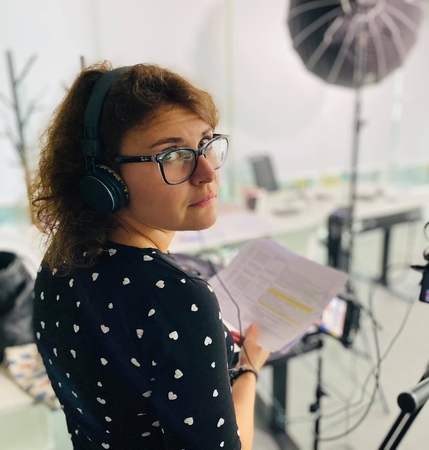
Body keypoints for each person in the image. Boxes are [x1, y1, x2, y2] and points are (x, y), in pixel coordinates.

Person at [29, 62, 270, 450]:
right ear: (105, 179)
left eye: (206, 143)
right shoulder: (177, 299)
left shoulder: (59, 261)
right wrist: (248, 369)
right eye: (173, 154)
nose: (207, 172)